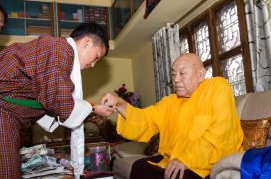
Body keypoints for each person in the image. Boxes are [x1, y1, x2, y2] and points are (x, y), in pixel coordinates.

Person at [0, 22, 113, 178]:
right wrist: (92, 109)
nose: (93, 65)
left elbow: (47, 100)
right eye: (96, 57)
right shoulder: (60, 48)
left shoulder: (56, 51)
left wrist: (89, 109)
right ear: (87, 42)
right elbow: (59, 103)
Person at [100, 53, 244, 179]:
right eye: (174, 74)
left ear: (201, 75)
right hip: (175, 159)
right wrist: (119, 103)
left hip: (207, 162)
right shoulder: (170, 102)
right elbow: (145, 120)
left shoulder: (217, 87)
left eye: (182, 73)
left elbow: (222, 132)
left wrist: (187, 160)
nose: (175, 79)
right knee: (139, 166)